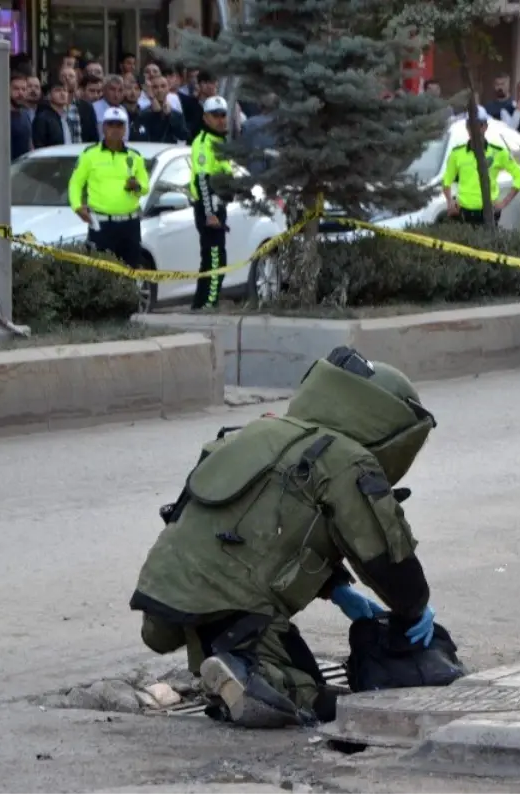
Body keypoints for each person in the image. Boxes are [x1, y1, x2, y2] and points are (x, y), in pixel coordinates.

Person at [131, 346, 439, 729]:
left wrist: (339, 589)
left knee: (257, 643)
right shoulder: (347, 460)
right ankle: (246, 671)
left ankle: (225, 667)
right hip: (234, 602)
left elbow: (275, 526)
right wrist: (414, 607)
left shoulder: (264, 430)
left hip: (164, 592)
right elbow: (383, 556)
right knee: (311, 698)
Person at [67, 106, 150, 268]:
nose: (115, 130)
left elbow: (146, 187)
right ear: (103, 127)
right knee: (101, 275)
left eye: (119, 125)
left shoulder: (135, 156)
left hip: (130, 224)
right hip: (102, 224)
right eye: (111, 125)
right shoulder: (90, 154)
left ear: (125, 128)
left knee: (131, 271)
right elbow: (75, 183)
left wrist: (137, 186)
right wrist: (77, 206)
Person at [441, 106, 520, 225]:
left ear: (485, 127)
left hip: (488, 212)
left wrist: (504, 202)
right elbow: (446, 179)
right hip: (464, 212)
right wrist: (450, 201)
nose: (474, 129)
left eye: (479, 125)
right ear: (467, 128)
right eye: (470, 125)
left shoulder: (498, 152)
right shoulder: (457, 153)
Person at [189, 96, 235, 310]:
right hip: (209, 209)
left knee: (212, 259)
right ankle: (208, 305)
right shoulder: (203, 142)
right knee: (216, 260)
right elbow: (202, 181)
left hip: (219, 207)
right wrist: (209, 213)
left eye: (223, 115)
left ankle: (201, 304)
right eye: (215, 115)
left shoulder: (220, 141)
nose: (220, 120)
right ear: (205, 117)